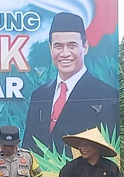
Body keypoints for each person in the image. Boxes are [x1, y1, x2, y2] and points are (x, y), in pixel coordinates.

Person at [22, 12, 118, 154]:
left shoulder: (106, 95)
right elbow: (28, 147)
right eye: (58, 46)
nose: (65, 53)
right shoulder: (39, 95)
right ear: (51, 49)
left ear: (85, 47)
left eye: (72, 45)